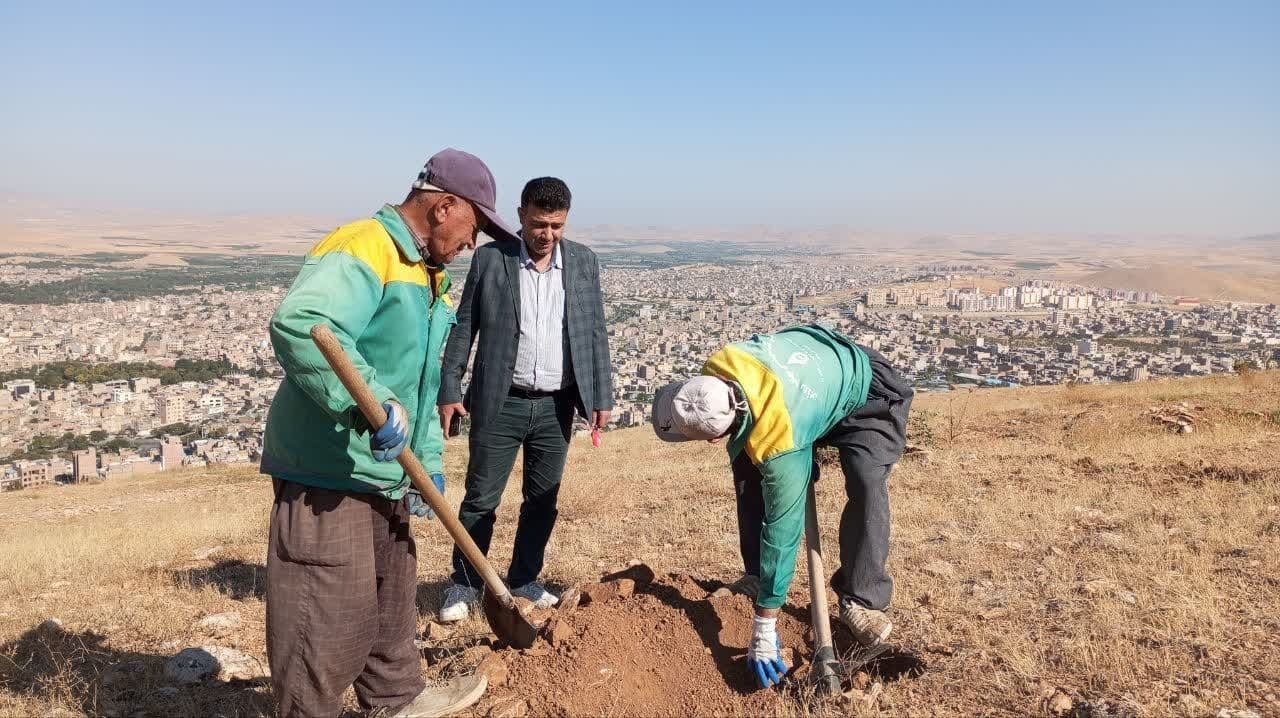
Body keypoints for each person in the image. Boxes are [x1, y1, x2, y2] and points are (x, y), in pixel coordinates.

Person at [260, 148, 522, 718]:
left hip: (386, 466)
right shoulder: (364, 247)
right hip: (329, 468)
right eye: (472, 227)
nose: (471, 244)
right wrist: (373, 403)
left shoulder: (429, 277)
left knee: (391, 592)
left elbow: (422, 384)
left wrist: (427, 454)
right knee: (323, 611)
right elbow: (304, 325)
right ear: (443, 206)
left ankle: (397, 698)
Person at [650, 324, 913, 689]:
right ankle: (756, 573)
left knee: (866, 481)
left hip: (864, 388)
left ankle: (863, 599)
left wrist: (764, 624)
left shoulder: (779, 440)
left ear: (711, 438)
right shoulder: (722, 369)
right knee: (746, 461)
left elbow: (783, 531)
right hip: (805, 395)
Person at [436, 177, 613, 621]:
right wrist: (450, 388)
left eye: (556, 226)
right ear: (520, 216)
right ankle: (464, 583)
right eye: (539, 224)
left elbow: (594, 333)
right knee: (480, 498)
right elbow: (464, 328)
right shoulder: (491, 260)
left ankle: (524, 579)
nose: (547, 234)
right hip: (501, 399)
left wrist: (600, 393)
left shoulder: (584, 263)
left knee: (542, 500)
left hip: (557, 405)